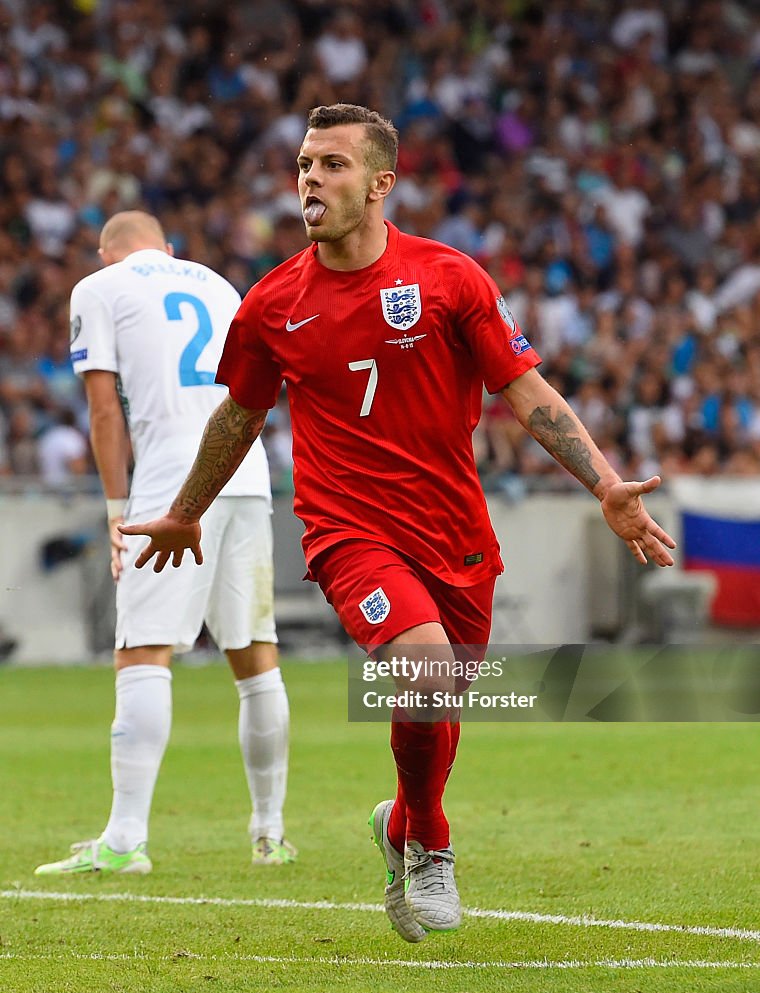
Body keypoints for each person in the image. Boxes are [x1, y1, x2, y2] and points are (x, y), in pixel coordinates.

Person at [119, 106, 675, 937]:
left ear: (382, 184)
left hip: (454, 533)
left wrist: (604, 482)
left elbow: (525, 392)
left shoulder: (450, 279)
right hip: (348, 532)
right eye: (305, 164)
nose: (310, 179)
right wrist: (183, 512)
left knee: (444, 697)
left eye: (332, 166)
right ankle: (432, 848)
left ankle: (400, 823)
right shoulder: (272, 304)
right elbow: (239, 416)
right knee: (422, 665)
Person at [35, 211, 296, 876]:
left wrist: (118, 511)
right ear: (168, 249)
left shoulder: (101, 286)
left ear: (106, 251)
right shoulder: (215, 283)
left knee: (143, 651)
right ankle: (269, 833)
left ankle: (125, 841)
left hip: (170, 480)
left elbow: (102, 410)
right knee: (253, 652)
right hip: (245, 471)